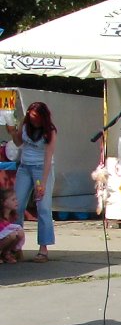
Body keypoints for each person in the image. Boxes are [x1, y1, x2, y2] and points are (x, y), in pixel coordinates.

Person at [5, 101, 56, 262]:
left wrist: (43, 183)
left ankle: (43, 248)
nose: (32, 119)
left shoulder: (50, 131)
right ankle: (16, 246)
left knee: (43, 208)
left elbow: (48, 158)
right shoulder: (25, 125)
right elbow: (19, 143)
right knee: (17, 205)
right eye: (30, 116)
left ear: (42, 117)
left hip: (42, 169)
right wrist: (13, 132)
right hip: (25, 167)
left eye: (35, 117)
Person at [0, 187, 25, 263]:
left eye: (16, 199)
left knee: (19, 233)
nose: (16, 202)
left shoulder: (12, 215)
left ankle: (6, 254)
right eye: (13, 200)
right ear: (4, 202)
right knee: (11, 235)